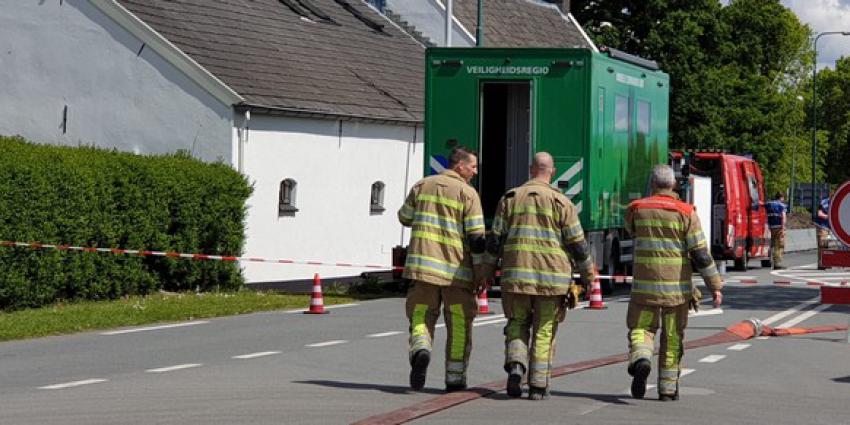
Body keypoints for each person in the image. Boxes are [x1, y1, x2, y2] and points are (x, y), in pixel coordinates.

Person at [484, 152, 596, 401]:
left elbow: (495, 240)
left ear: (530, 168)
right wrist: (589, 275)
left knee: (517, 324)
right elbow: (578, 244)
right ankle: (537, 385)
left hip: (516, 279)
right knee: (544, 330)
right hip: (552, 282)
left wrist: (486, 272)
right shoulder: (561, 202)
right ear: (552, 172)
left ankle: (515, 365)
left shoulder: (510, 198)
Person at [624, 164, 723, 401]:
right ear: (674, 184)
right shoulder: (686, 212)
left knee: (641, 330)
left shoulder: (636, 209)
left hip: (643, 290)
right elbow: (700, 253)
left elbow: (632, 233)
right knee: (672, 337)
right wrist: (715, 286)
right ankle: (667, 389)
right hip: (676, 292)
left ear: (652, 184)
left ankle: (641, 359)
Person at [397, 146, 488, 392]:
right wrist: (481, 273)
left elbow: (404, 217)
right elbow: (477, 239)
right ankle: (455, 378)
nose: (475, 172)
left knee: (420, 317)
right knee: (458, 325)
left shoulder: (421, 185)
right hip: (456, 275)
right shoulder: (468, 194)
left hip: (422, 269)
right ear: (459, 165)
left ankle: (421, 349)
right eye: (473, 166)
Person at [765, 193, 788, 269]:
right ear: (781, 198)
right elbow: (783, 217)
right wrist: (783, 228)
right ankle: (777, 264)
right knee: (779, 245)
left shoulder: (768, 204)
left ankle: (768, 260)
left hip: (770, 227)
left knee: (770, 245)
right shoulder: (782, 206)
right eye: (783, 198)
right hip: (778, 228)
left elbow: (760, 205)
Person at [815, 188, 834, 270]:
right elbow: (819, 213)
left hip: (830, 228)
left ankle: (826, 262)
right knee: (822, 245)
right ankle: (821, 263)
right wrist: (828, 216)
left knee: (827, 245)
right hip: (822, 226)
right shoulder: (824, 202)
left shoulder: (835, 203)